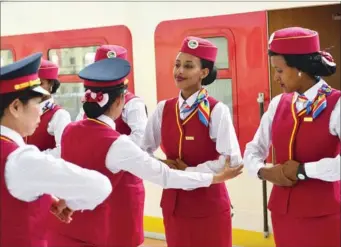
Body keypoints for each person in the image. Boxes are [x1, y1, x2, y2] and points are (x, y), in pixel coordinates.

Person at [48, 56, 242, 247]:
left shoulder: (68, 131)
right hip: (99, 233)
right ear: (119, 102)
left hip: (65, 230)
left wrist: (68, 202)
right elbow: (165, 176)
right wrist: (213, 178)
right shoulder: (117, 144)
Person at [0, 52, 113, 247]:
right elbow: (101, 186)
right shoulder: (22, 160)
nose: (41, 110)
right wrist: (68, 203)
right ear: (16, 107)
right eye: (37, 103)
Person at [141, 36, 243, 247]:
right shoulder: (163, 109)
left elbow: (232, 161)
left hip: (208, 205)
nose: (179, 71)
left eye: (188, 66)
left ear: (203, 73)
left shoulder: (216, 110)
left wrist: (189, 173)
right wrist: (162, 165)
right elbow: (143, 151)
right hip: (174, 205)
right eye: (177, 65)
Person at [243, 27, 340, 247]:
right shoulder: (279, 104)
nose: (275, 77)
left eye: (279, 70)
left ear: (300, 69)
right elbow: (252, 149)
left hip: (324, 217)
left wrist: (303, 171)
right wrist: (263, 171)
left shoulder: (337, 105)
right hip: (283, 215)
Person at [25, 59, 71, 157]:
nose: (35, 89)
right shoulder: (24, 111)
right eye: (32, 84)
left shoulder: (59, 115)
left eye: (40, 83)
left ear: (51, 84)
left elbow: (63, 151)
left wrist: (33, 158)